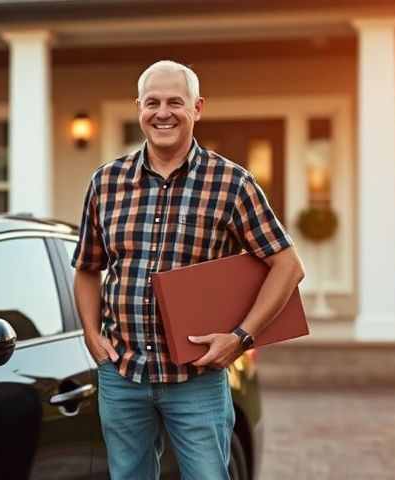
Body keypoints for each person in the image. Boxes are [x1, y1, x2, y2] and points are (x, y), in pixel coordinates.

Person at [71, 60, 305, 480]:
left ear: (197, 108)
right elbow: (88, 267)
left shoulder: (232, 183)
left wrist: (241, 337)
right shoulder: (105, 182)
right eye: (153, 102)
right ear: (138, 107)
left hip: (197, 378)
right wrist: (91, 334)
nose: (163, 112)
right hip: (123, 374)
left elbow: (287, 265)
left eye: (175, 102)